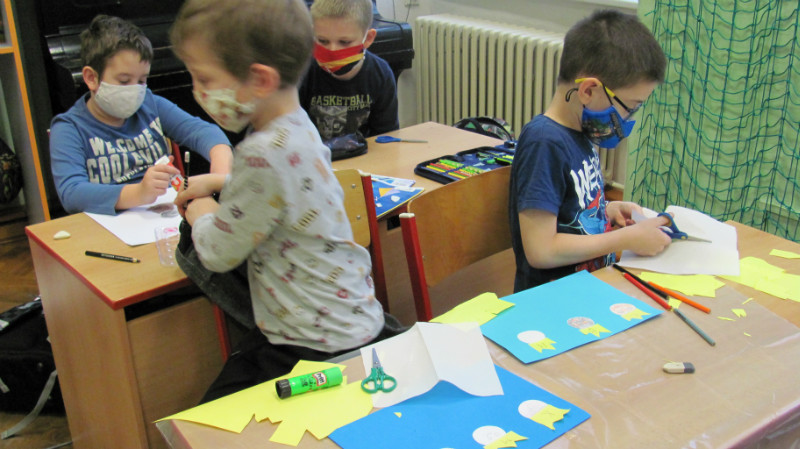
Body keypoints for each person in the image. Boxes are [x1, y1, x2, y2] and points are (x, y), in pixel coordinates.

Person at [170, 0, 403, 402]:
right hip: (356, 319)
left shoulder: (259, 153)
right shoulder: (298, 126)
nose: (197, 91)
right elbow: (288, 183)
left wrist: (200, 211)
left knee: (206, 421)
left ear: (260, 79)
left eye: (204, 78)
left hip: (310, 344)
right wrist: (225, 181)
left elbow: (217, 252)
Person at [509, 9, 673, 292]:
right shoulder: (544, 143)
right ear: (587, 91)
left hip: (591, 287)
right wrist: (627, 239)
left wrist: (606, 210)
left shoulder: (581, 132)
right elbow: (541, 250)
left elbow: (568, 212)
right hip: (553, 300)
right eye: (630, 106)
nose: (628, 117)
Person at [49, 15, 233, 216]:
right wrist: (139, 192)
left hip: (165, 215)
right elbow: (72, 194)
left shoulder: (150, 104)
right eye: (124, 81)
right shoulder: (69, 128)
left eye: (141, 81)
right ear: (91, 78)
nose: (135, 90)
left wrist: (220, 176)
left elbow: (203, 132)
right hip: (110, 224)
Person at [298, 0, 399, 149]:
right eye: (322, 41)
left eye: (344, 42)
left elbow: (386, 137)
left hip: (364, 158)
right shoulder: (303, 72)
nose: (332, 50)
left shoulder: (380, 75)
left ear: (368, 38)